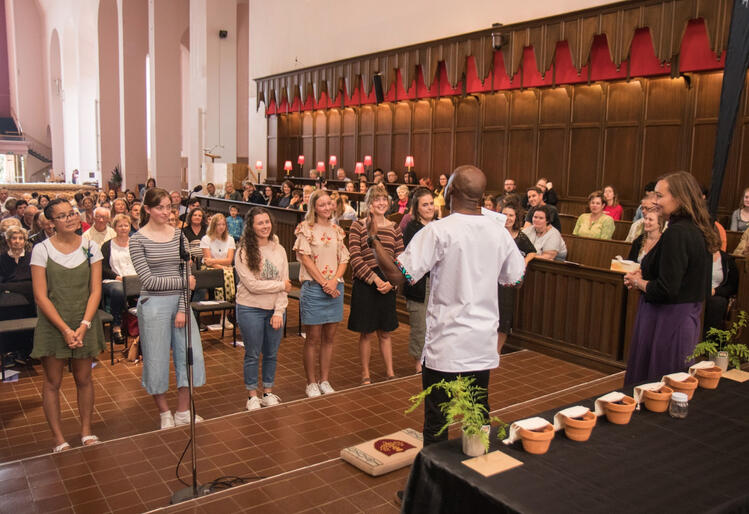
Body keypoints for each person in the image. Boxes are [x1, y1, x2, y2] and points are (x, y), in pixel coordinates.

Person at [369, 165, 526, 451]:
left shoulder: (438, 231)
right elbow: (516, 279)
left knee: (437, 419)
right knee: (477, 413)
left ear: (450, 191)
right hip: (481, 341)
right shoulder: (499, 233)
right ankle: (476, 470)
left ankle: (433, 488)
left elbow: (399, 277)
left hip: (447, 343)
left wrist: (373, 242)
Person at [623, 171, 718, 385]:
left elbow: (667, 288)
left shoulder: (678, 233)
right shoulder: (697, 228)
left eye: (659, 196)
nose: (655, 202)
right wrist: (645, 275)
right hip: (682, 317)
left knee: (658, 384)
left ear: (679, 197)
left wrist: (639, 282)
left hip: (666, 319)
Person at [30, 198, 105, 452]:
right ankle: (58, 439)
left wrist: (83, 325)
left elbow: (95, 290)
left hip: (84, 319)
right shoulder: (42, 250)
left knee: (84, 378)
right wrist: (64, 329)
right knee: (53, 381)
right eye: (62, 216)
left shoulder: (91, 247)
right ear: (51, 223)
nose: (70, 218)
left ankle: (86, 431)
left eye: (72, 213)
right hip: (54, 323)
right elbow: (40, 296)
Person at [129, 188, 205, 429]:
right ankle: (164, 413)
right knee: (156, 358)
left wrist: (183, 307)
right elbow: (149, 281)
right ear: (147, 209)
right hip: (153, 304)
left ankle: (183, 411)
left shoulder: (178, 236)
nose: (165, 212)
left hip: (180, 303)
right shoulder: (137, 239)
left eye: (168, 207)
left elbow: (187, 271)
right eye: (159, 207)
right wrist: (184, 283)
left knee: (189, 357)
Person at [293, 190, 349, 397]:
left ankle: (325, 379)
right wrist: (324, 282)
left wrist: (334, 281)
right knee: (313, 338)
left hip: (335, 288)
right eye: (321, 204)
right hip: (314, 287)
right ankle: (311, 382)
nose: (326, 207)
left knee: (329, 338)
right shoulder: (305, 229)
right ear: (314, 207)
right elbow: (305, 259)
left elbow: (344, 258)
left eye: (329, 204)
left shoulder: (337, 230)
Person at [235, 207, 290, 411]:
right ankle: (252, 396)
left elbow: (286, 284)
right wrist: (280, 286)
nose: (265, 226)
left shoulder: (280, 249)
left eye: (267, 222)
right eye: (260, 223)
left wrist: (278, 312)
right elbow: (252, 285)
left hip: (274, 309)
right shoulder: (243, 252)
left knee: (271, 353)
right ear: (251, 226)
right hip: (250, 308)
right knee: (252, 353)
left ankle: (267, 392)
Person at [348, 184, 404, 384]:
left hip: (388, 284)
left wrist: (392, 284)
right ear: (369, 203)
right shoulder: (358, 226)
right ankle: (365, 374)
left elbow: (400, 260)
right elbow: (355, 258)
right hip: (366, 283)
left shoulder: (395, 227)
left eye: (384, 199)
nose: (381, 203)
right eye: (376, 199)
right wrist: (376, 279)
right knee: (366, 332)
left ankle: (390, 372)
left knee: (386, 332)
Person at [402, 188, 435, 373]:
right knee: (420, 325)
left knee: (435, 325)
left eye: (431, 203)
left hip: (438, 283)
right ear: (417, 207)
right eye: (425, 205)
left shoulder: (439, 224)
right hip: (420, 285)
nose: (430, 208)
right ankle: (419, 364)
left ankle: (432, 361)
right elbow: (411, 259)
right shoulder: (413, 228)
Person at [497, 201, 536, 353]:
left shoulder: (520, 236)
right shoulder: (495, 232)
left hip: (507, 282)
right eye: (505, 214)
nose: (508, 218)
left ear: (516, 217)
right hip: (491, 278)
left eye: (511, 215)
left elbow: (532, 251)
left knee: (504, 315)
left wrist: (524, 262)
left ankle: (497, 351)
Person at [101, 214, 137, 345]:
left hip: (134, 279)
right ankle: (116, 327)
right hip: (114, 280)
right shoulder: (107, 245)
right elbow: (103, 268)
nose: (123, 228)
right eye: (120, 225)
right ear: (115, 228)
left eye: (126, 225)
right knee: (119, 291)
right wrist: (117, 277)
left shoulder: (135, 243)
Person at [703, 248, 738, 334]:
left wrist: (715, 291)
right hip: (697, 291)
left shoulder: (727, 259)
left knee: (717, 303)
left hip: (716, 294)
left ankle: (709, 341)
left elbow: (732, 286)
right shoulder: (697, 254)